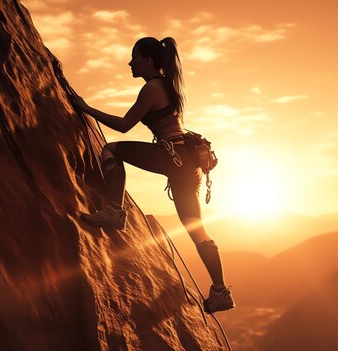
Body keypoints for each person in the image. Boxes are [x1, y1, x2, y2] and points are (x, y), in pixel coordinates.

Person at [71, 37, 235, 314]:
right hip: (188, 165)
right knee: (197, 229)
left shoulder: (153, 87)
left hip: (173, 158)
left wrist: (87, 108)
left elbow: (124, 125)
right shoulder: (168, 86)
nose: (130, 62)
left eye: (134, 57)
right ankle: (220, 291)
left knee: (111, 150)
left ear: (148, 60)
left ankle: (114, 210)